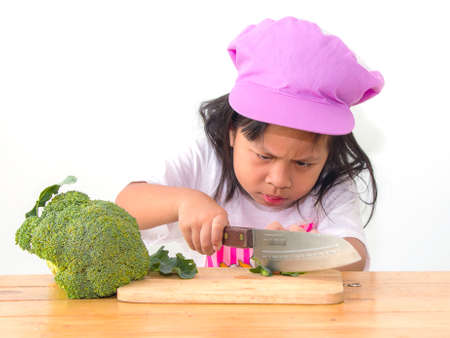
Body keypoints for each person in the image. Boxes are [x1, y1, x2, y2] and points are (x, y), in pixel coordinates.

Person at [115, 16, 384, 271]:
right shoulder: (205, 159)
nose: (279, 180)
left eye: (303, 163)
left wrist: (303, 251)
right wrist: (184, 201)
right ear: (232, 132)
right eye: (264, 157)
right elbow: (125, 205)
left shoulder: (331, 183)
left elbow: (355, 257)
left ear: (328, 154)